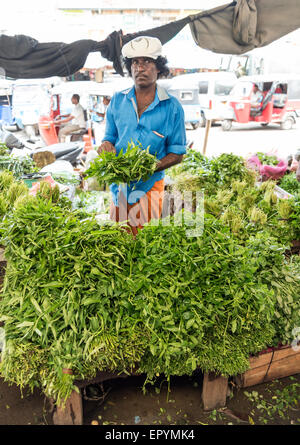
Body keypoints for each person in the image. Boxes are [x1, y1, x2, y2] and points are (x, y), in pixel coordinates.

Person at [97, 36, 186, 235]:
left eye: (147, 62)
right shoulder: (117, 101)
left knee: (146, 243)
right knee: (118, 240)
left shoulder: (172, 107)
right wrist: (105, 145)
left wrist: (149, 168)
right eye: (135, 62)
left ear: (159, 68)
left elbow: (177, 153)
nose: (140, 68)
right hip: (119, 187)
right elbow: (109, 137)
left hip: (149, 187)